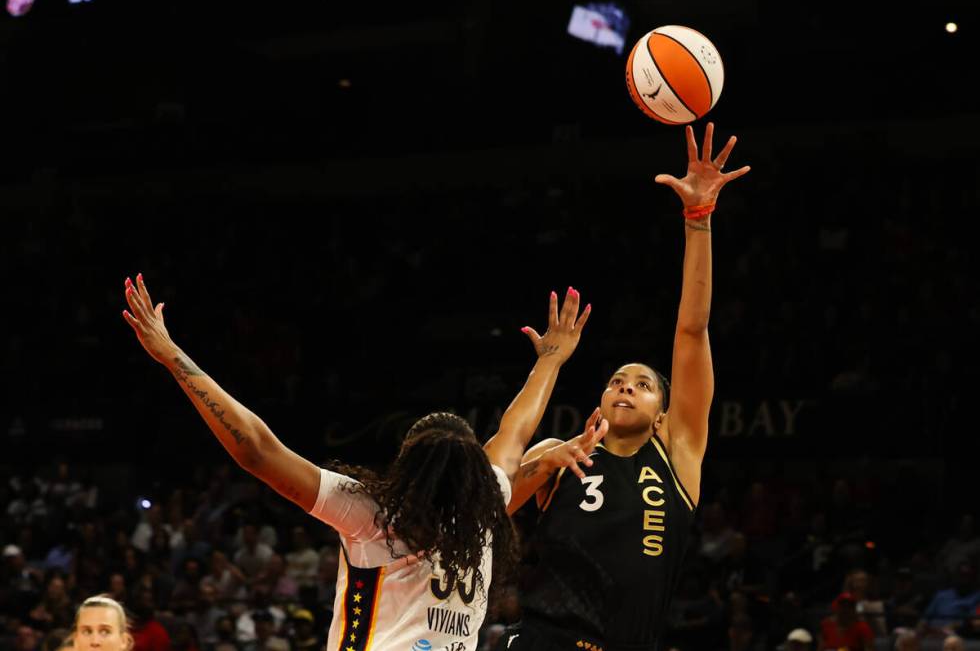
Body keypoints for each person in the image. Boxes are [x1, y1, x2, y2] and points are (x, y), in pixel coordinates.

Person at [122, 276, 600, 651]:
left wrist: (173, 358)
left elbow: (256, 449)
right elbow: (514, 434)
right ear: (475, 473)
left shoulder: (374, 514)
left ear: (406, 467)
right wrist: (551, 362)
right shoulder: (482, 505)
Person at [500, 123, 750, 651]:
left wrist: (698, 219)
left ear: (664, 413)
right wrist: (544, 463)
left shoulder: (677, 453)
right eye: (616, 380)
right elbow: (483, 511)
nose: (625, 387)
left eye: (642, 384)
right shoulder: (557, 456)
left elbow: (691, 330)